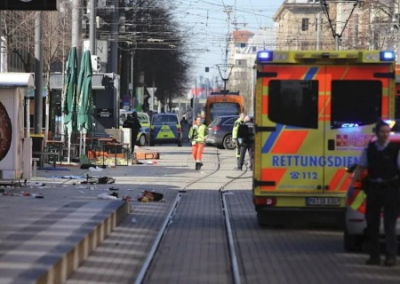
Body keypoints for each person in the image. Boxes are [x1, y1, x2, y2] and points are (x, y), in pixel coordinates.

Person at [351, 120, 400, 267]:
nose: (385, 135)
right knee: (372, 224)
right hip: (373, 188)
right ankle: (374, 256)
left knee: (389, 225)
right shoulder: (369, 149)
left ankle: (390, 257)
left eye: (387, 132)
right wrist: (353, 183)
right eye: (382, 132)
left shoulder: (396, 149)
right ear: (376, 133)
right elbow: (361, 167)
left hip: (391, 189)